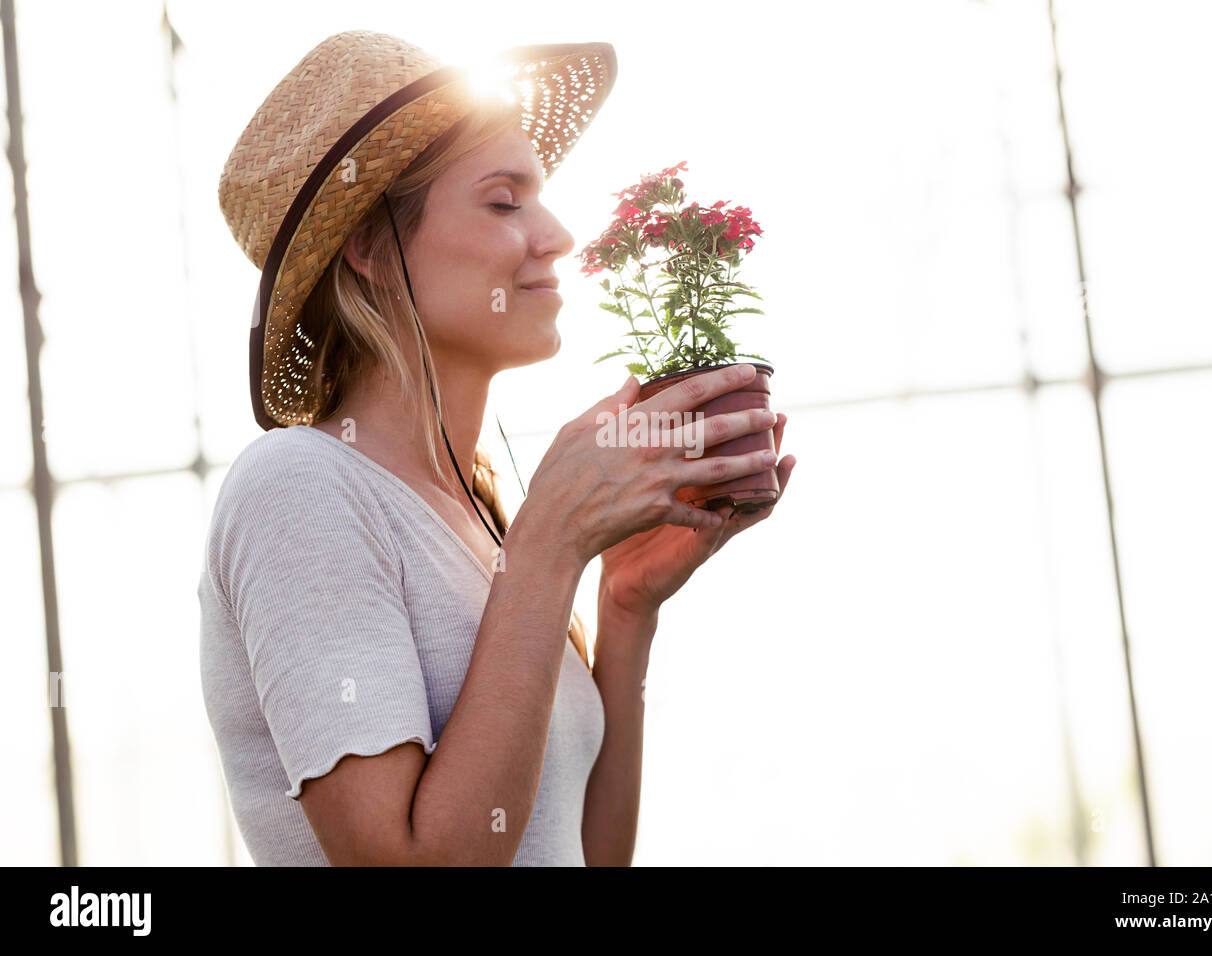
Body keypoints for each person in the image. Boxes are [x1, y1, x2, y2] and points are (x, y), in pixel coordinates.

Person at [199, 31, 795, 866]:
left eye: (539, 196)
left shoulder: (481, 518)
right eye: (504, 200)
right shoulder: (299, 486)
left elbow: (581, 852)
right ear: (370, 247)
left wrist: (624, 608)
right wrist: (549, 546)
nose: (556, 235)